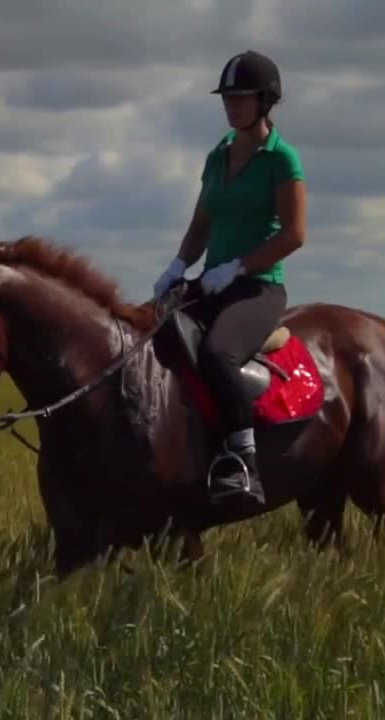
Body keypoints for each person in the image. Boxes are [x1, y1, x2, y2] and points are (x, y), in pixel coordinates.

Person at [151, 49, 307, 504]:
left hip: (258, 287)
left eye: (240, 98)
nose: (230, 105)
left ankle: (244, 464)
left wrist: (238, 267)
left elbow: (295, 234)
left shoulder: (282, 159)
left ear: (265, 101)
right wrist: (179, 266)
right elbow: (202, 225)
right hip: (212, 279)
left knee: (218, 353)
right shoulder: (218, 155)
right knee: (153, 336)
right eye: (227, 98)